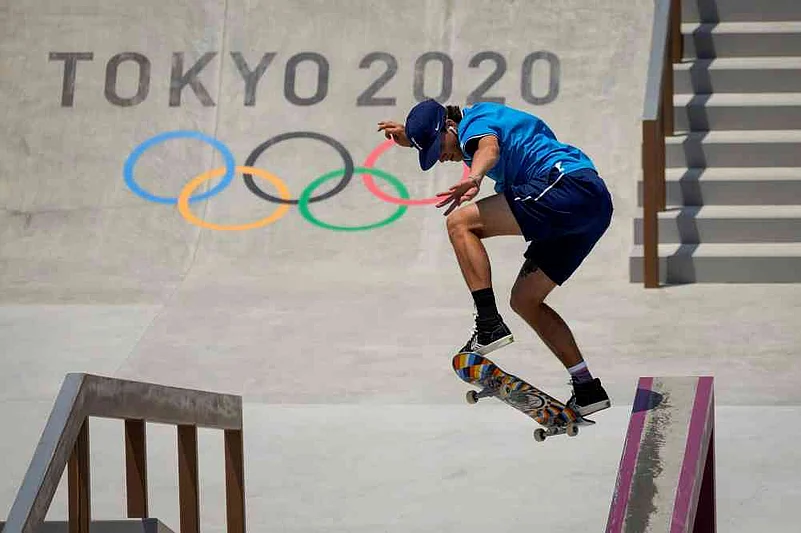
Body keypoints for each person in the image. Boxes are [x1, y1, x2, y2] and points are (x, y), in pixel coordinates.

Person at [377, 99, 613, 416]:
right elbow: (450, 135)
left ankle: (489, 324)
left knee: (459, 223)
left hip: (566, 186)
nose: (442, 158)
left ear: (450, 126)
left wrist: (475, 177)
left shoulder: (476, 122)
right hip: (590, 210)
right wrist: (412, 136)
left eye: (439, 148)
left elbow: (488, 148)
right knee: (525, 301)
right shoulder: (460, 127)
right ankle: (587, 388)